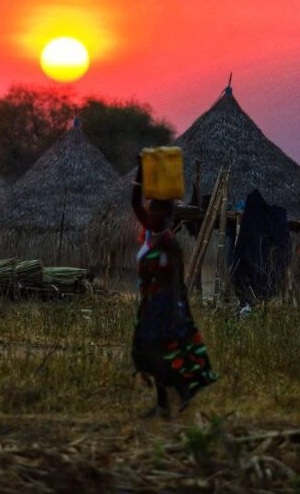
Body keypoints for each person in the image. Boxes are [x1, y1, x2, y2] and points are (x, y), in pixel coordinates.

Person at [130, 158, 217, 418]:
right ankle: (165, 401)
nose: (149, 210)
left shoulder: (168, 242)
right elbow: (135, 202)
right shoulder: (151, 233)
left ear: (166, 216)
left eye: (155, 209)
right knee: (147, 353)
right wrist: (141, 172)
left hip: (167, 306)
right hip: (150, 305)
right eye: (150, 207)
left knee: (160, 353)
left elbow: (177, 280)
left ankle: (176, 394)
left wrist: (177, 310)